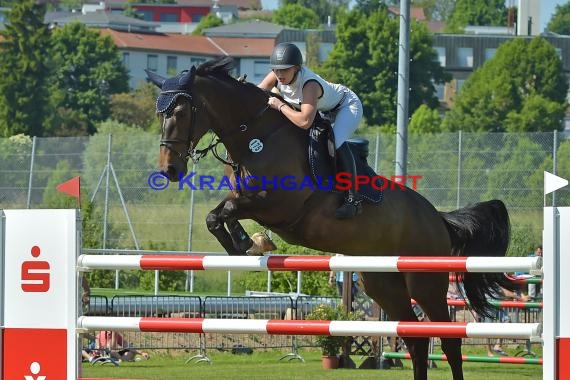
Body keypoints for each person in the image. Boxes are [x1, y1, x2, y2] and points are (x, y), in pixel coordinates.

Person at [258, 42, 364, 220]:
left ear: (297, 68)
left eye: (284, 70)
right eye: (276, 69)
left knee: (334, 143)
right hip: (322, 110)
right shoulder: (276, 75)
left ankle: (354, 200)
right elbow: (258, 92)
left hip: (346, 106)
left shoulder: (309, 84)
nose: (279, 74)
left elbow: (305, 121)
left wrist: (280, 105)